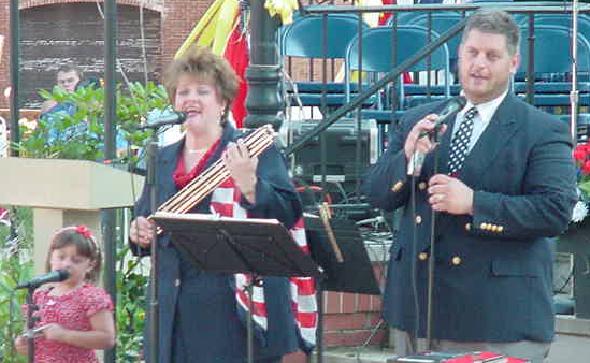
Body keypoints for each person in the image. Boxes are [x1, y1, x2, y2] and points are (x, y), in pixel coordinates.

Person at [363, 9, 577, 363]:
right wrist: (408, 158)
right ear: (459, 56)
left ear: (513, 63)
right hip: (418, 310)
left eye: (492, 56)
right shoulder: (421, 119)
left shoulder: (542, 130)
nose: (479, 64)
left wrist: (475, 203)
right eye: (472, 53)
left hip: (496, 317)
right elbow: (376, 194)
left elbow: (554, 211)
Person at [129, 45, 309, 363]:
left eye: (202, 91)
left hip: (233, 308)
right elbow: (148, 217)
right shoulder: (162, 158)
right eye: (183, 92)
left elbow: (287, 212)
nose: (190, 99)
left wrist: (250, 184)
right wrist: (138, 232)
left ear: (223, 101)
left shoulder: (252, 149)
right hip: (172, 307)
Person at [14, 225, 115, 362]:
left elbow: (107, 339)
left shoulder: (91, 296)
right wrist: (23, 343)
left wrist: (64, 335)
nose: (67, 264)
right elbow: (31, 335)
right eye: (61, 257)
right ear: (51, 258)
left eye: (76, 260)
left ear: (90, 265)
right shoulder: (39, 296)